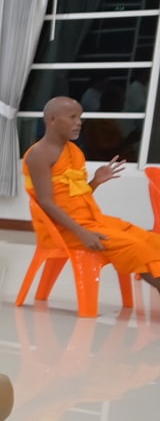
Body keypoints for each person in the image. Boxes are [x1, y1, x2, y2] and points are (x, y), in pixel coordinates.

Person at [24, 95, 160, 297]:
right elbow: (45, 202)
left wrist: (95, 182)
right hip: (63, 230)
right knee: (135, 245)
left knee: (149, 239)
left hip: (91, 220)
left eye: (80, 117)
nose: (79, 123)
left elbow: (73, 195)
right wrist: (81, 233)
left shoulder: (74, 151)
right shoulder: (40, 154)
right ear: (52, 120)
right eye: (72, 117)